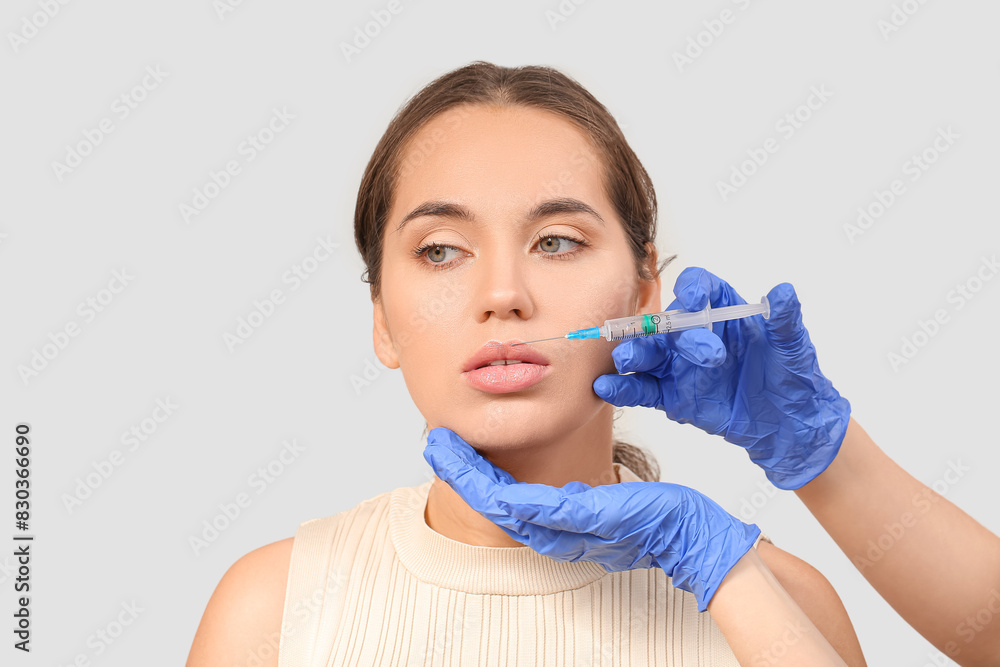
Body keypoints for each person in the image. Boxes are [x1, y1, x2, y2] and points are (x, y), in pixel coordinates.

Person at [185, 61, 867, 666]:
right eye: (442, 251)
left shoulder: (782, 604)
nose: (503, 294)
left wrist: (735, 581)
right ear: (382, 319)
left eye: (558, 241)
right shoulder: (272, 611)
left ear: (645, 292)